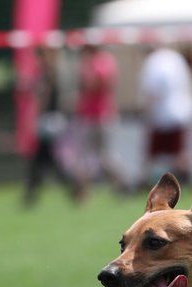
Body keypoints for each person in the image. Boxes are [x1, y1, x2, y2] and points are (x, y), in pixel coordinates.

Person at [23, 48, 74, 207]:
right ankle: (33, 192)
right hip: (51, 118)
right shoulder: (53, 71)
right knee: (47, 159)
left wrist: (37, 115)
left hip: (49, 120)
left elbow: (43, 96)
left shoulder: (48, 73)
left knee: (42, 158)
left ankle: (32, 192)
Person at [139, 47, 192, 184]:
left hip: (163, 116)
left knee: (152, 155)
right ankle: (186, 180)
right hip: (183, 113)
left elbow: (152, 93)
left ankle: (146, 182)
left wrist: (147, 115)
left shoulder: (153, 63)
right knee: (179, 153)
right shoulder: (175, 58)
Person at [74, 44, 124, 198]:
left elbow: (96, 84)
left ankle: (121, 185)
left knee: (101, 156)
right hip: (93, 114)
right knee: (90, 156)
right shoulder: (104, 61)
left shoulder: (98, 63)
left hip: (98, 115)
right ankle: (83, 191)